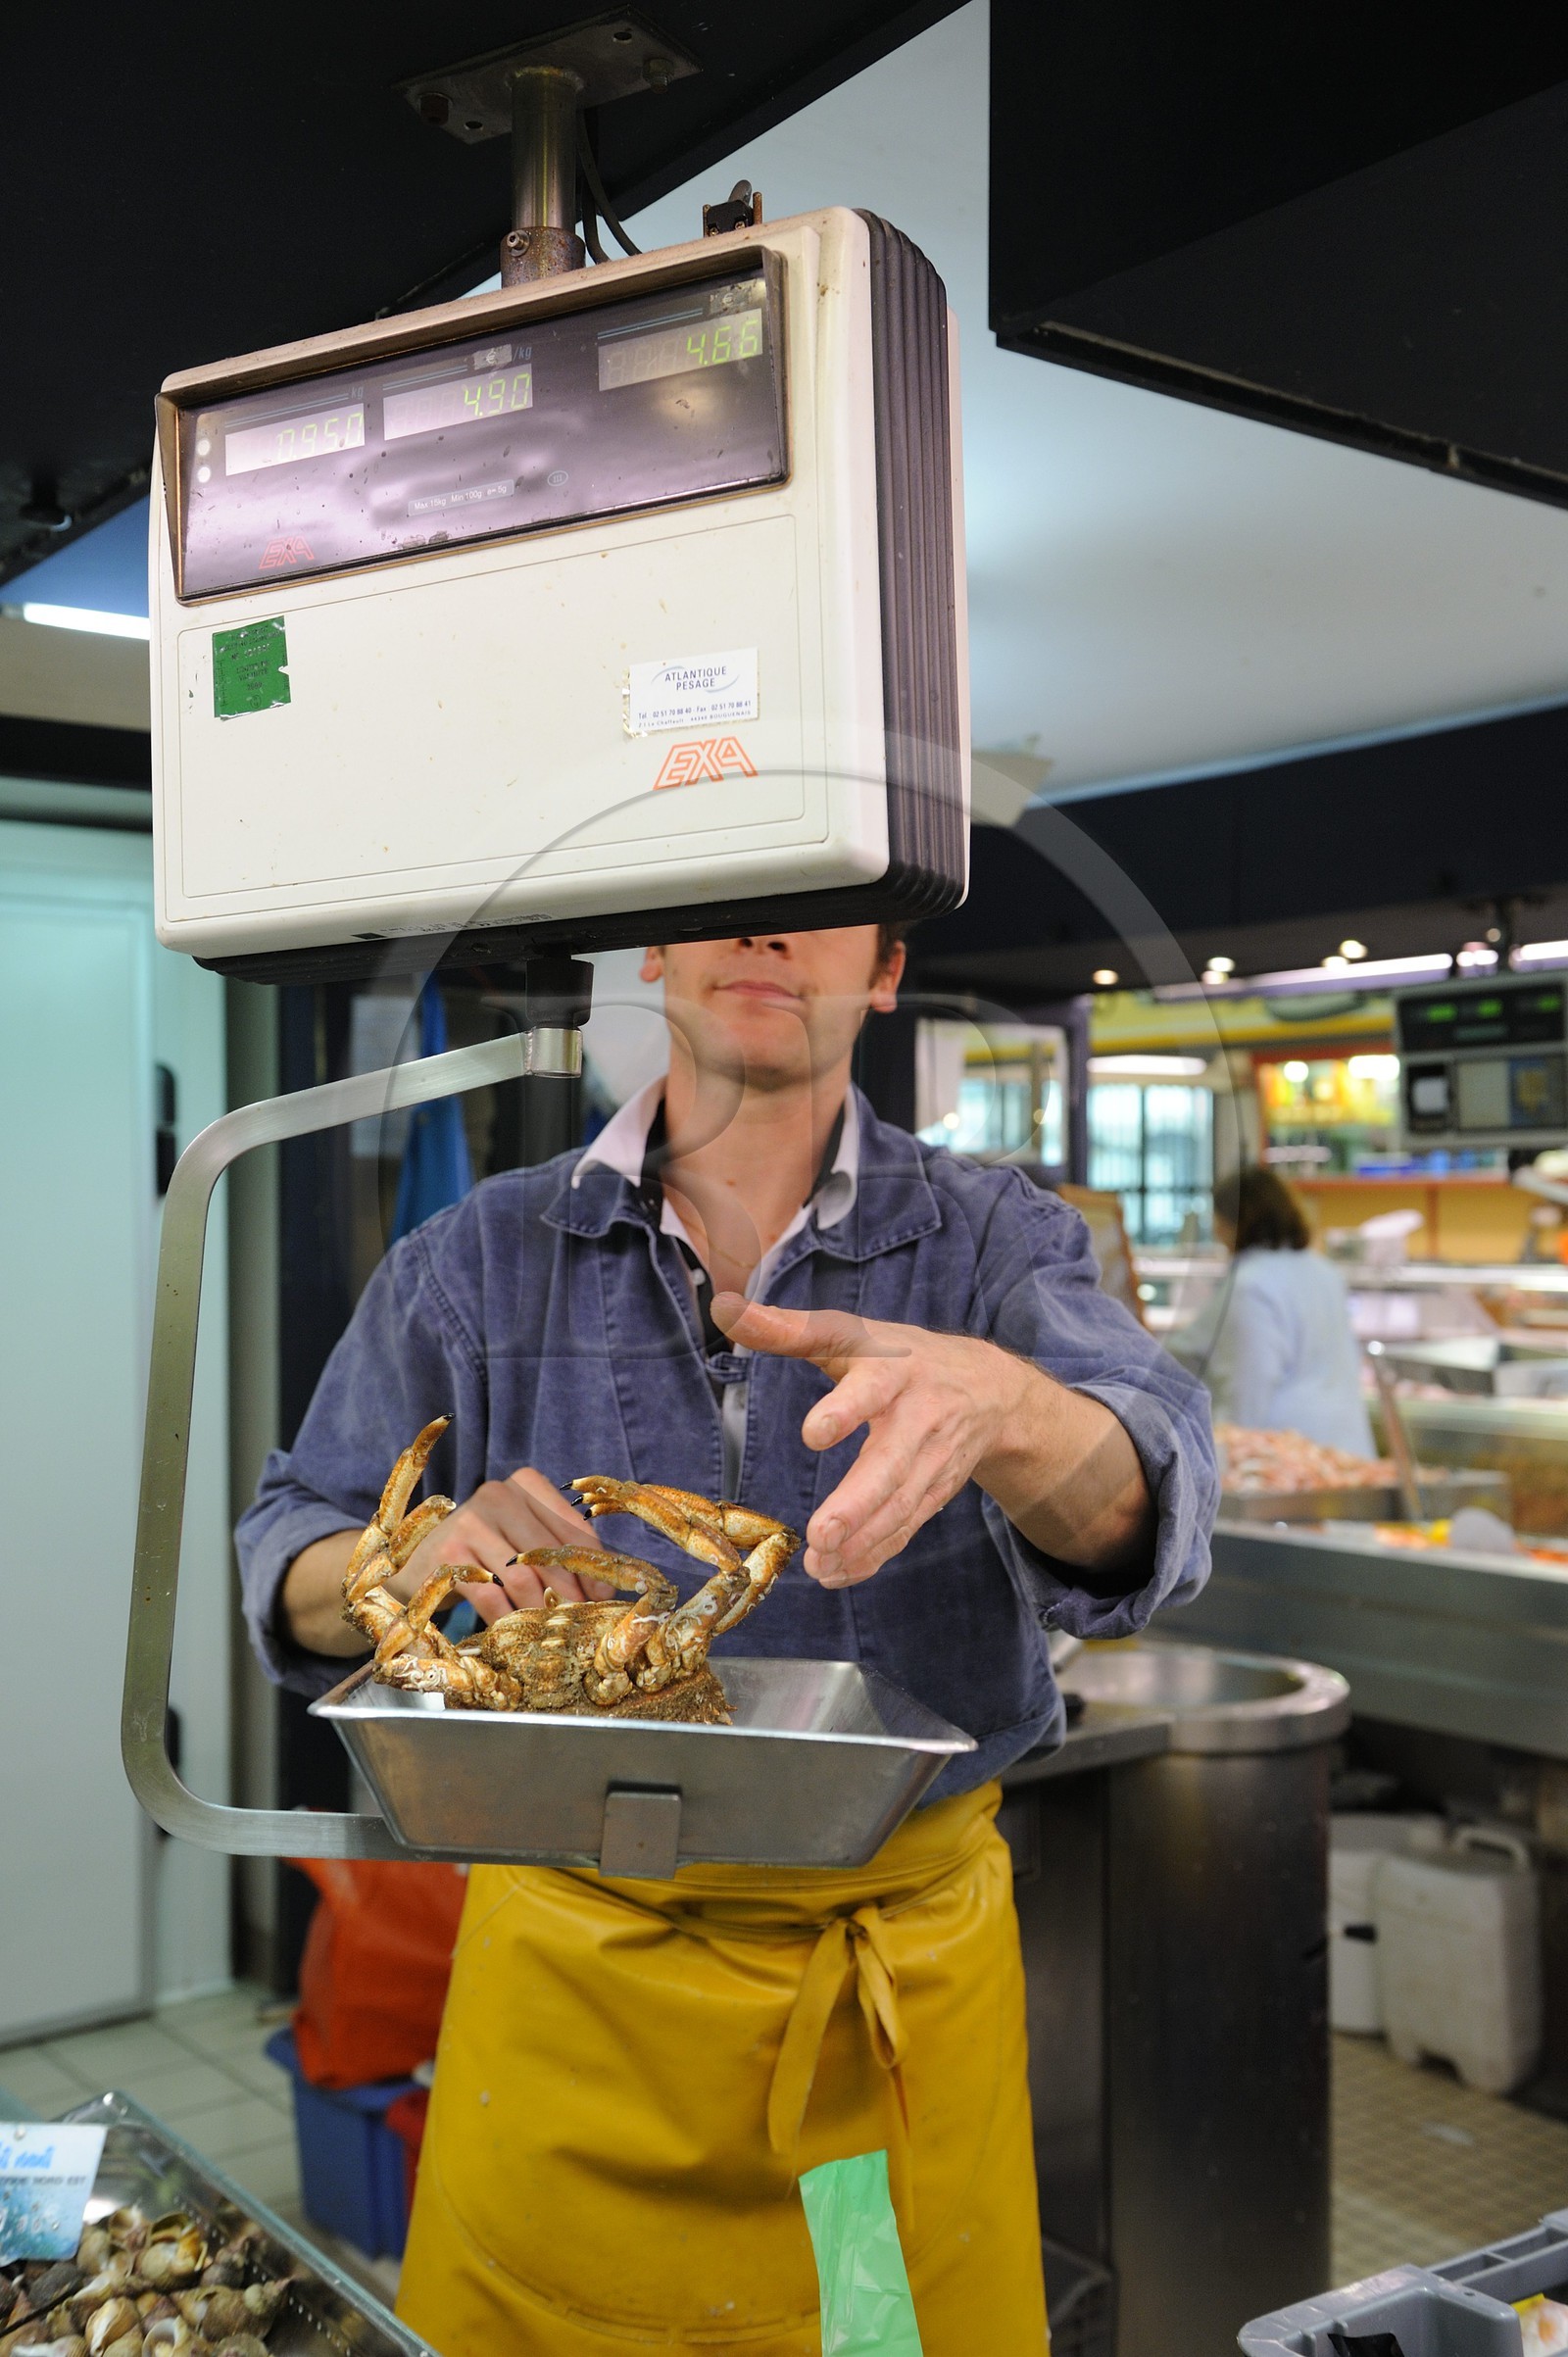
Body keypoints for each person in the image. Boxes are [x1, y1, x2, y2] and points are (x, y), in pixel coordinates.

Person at [238, 923, 1218, 2355]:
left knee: (878, 2334)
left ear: (886, 968)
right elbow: (287, 1544)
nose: (761, 929)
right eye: (723, 893)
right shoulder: (480, 1257)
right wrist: (400, 1553)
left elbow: (1157, 1498)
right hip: (572, 1989)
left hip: (885, 2012)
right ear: (650, 950)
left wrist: (1012, 1407)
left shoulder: (1001, 1242)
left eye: (811, 894)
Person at [1173, 1163, 1373, 1455]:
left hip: (1287, 1460)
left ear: (1231, 1223)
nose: (1216, 1231)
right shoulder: (1324, 1271)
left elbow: (1247, 1391)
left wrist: (1221, 1466)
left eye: (1217, 1220)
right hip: (1348, 1451)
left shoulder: (1251, 1286)